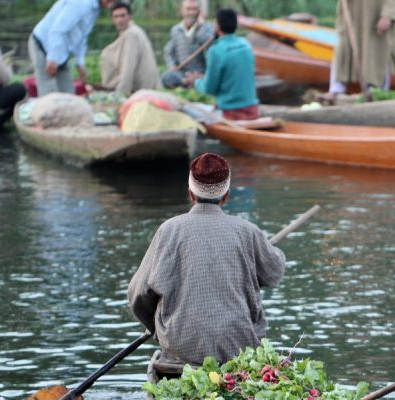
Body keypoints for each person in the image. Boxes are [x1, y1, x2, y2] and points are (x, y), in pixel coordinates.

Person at [128, 153, 286, 365]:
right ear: (226, 195)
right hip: (239, 348)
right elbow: (275, 273)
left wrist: (157, 328)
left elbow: (137, 295)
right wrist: (266, 251)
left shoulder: (168, 231)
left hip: (179, 347)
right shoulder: (247, 231)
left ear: (190, 194)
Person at [29, 0, 116, 96]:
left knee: (69, 93)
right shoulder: (81, 3)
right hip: (44, 44)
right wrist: (53, 59)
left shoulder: (95, 8)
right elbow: (57, 30)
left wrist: (80, 62)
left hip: (62, 49)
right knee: (49, 93)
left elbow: (83, 35)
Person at [194, 9, 258, 120]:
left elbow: (209, 89)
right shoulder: (246, 44)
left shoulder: (216, 50)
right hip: (253, 109)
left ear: (217, 27)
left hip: (230, 113)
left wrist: (196, 82)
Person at [328, 0, 395, 95]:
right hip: (352, 14)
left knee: (377, 50)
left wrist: (388, 15)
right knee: (343, 48)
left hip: (376, 14)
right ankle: (336, 90)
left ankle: (377, 91)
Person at [99, 2, 160, 95]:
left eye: (123, 16)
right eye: (116, 17)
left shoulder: (131, 34)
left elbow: (128, 67)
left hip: (143, 89)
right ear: (112, 19)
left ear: (130, 17)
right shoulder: (131, 31)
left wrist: (120, 93)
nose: (119, 20)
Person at [162, 0, 215, 89]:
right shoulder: (175, 30)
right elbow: (168, 52)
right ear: (182, 11)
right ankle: (187, 83)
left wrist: (200, 26)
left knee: (208, 79)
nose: (191, 13)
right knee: (166, 77)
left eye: (194, 9)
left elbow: (209, 43)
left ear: (199, 11)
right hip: (183, 74)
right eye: (188, 9)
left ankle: (195, 83)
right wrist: (172, 66)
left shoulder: (207, 28)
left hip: (201, 73)